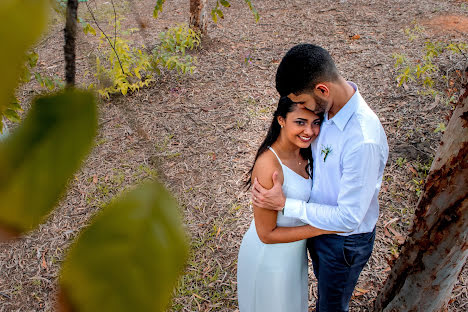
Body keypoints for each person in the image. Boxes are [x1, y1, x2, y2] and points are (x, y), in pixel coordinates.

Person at [251, 44, 389, 312]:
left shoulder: (362, 140)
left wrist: (285, 205)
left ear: (322, 90)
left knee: (331, 307)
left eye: (303, 103)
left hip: (343, 242)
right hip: (317, 229)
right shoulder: (326, 110)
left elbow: (349, 218)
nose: (303, 111)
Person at [237, 96, 338, 312]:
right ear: (281, 120)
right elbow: (266, 234)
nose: (309, 131)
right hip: (270, 258)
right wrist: (323, 226)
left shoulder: (307, 152)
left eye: (316, 122)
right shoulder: (269, 165)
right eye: (300, 122)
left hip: (293, 253)